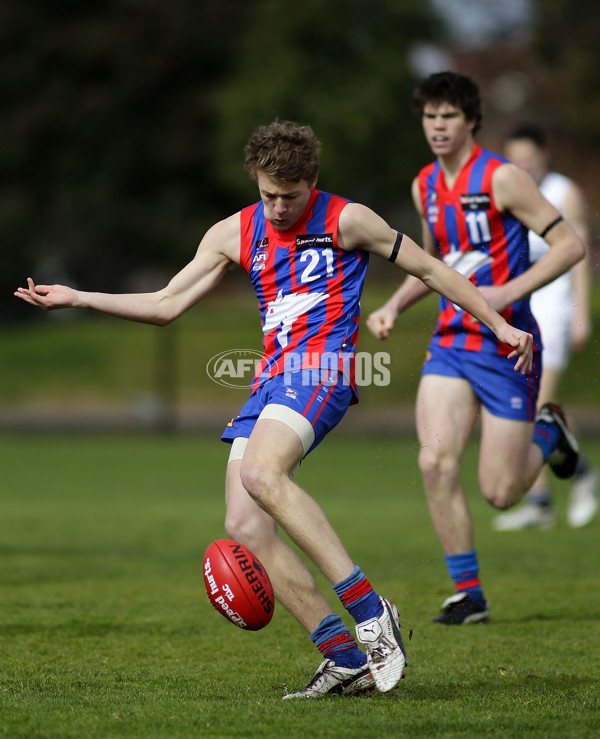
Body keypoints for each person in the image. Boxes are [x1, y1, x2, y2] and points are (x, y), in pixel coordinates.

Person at [16, 120, 534, 696]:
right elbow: (166, 303)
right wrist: (78, 297)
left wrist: (499, 324)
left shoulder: (348, 219)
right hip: (271, 378)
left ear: (312, 181)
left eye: (291, 196)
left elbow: (433, 269)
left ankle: (371, 614)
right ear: (256, 183)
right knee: (244, 525)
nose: (280, 208)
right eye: (269, 195)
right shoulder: (233, 231)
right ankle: (342, 657)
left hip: (323, 370)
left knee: (264, 473)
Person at [367, 73, 585, 626]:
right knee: (434, 461)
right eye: (429, 117)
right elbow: (435, 265)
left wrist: (508, 293)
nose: (437, 127)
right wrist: (394, 306)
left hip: (507, 344)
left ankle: (550, 433)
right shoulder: (424, 185)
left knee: (501, 492)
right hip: (450, 344)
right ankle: (469, 595)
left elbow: (571, 246)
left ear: (470, 121)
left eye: (448, 117)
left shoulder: (504, 179)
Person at [493, 124, 597, 531]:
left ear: (544, 156)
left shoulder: (562, 191)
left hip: (553, 310)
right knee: (519, 408)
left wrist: (580, 312)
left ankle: (579, 477)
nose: (523, 166)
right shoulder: (506, 192)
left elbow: (578, 253)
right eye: (515, 159)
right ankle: (544, 498)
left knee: (536, 407)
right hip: (517, 312)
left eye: (529, 158)